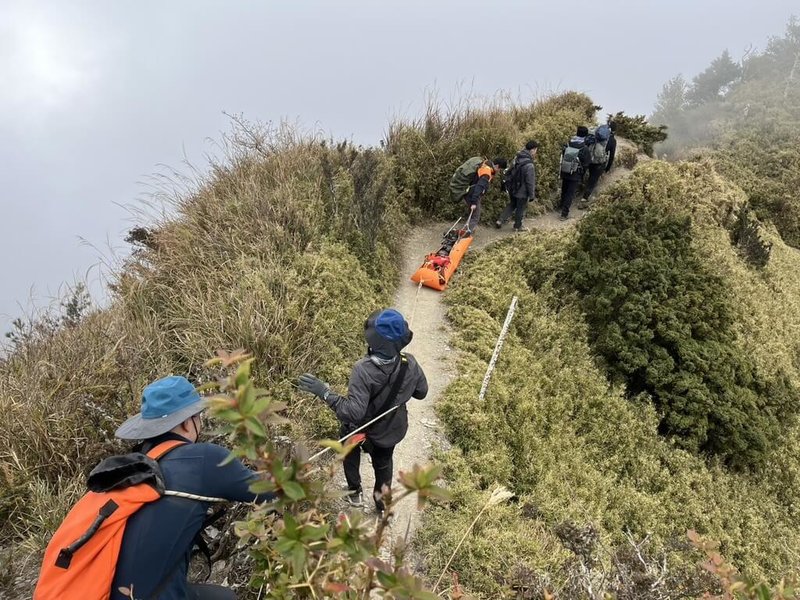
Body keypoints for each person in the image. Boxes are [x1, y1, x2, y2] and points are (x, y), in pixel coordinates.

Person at [108, 376, 271, 599]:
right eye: (198, 416)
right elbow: (271, 491)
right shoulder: (203, 459)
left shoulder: (133, 467)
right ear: (187, 422)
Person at [298, 309, 428, 515]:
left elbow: (353, 413)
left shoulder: (363, 369)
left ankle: (354, 491)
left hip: (358, 429)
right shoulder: (409, 362)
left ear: (374, 340)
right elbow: (421, 393)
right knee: (384, 463)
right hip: (389, 431)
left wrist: (324, 392)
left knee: (350, 453)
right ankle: (382, 503)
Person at [449, 156, 507, 235]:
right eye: (500, 169)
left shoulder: (485, 164)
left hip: (469, 191)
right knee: (476, 216)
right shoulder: (486, 173)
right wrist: (474, 202)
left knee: (472, 213)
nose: (499, 171)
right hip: (472, 193)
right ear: (497, 166)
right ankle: (465, 234)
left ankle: (467, 229)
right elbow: (479, 187)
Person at [496, 140, 538, 232]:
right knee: (520, 208)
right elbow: (530, 182)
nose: (536, 152)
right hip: (522, 191)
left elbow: (509, 170)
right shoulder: (529, 165)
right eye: (535, 150)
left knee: (512, 204)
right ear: (532, 150)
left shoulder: (517, 157)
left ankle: (500, 220)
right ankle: (517, 226)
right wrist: (532, 195)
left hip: (512, 187)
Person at [580, 121, 617, 206]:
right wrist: (607, 168)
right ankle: (584, 199)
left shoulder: (597, 134)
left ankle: (579, 187)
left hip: (590, 159)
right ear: (614, 131)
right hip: (600, 163)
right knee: (592, 180)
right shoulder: (612, 140)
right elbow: (611, 156)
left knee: (586, 174)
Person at [558, 126, 591, 220]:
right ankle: (564, 214)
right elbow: (586, 163)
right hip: (575, 174)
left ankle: (561, 205)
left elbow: (564, 154)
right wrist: (582, 174)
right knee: (570, 193)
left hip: (565, 170)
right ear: (585, 135)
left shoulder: (568, 143)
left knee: (564, 189)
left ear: (577, 133)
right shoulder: (584, 148)